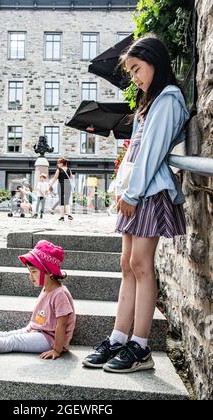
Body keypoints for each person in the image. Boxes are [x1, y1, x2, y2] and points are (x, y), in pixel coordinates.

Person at [83, 34, 190, 374]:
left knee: (142, 265)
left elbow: (153, 152)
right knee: (127, 264)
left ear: (155, 63)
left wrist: (131, 193)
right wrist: (120, 187)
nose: (134, 77)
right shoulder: (149, 102)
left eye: (137, 69)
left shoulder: (169, 98)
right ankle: (118, 338)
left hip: (148, 193)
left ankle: (141, 346)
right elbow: (133, 151)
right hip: (134, 191)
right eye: (130, 72)